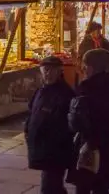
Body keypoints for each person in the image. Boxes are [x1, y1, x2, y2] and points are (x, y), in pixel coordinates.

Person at [68, 48, 109, 194]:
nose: (83, 69)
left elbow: (79, 121)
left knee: (84, 184)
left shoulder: (89, 89)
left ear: (94, 68)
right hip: (107, 145)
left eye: (86, 66)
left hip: (89, 144)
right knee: (101, 185)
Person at [25, 57, 75, 194]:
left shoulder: (65, 94)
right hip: (43, 148)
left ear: (59, 71)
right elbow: (32, 112)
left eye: (51, 70)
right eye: (45, 70)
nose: (47, 73)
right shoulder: (41, 90)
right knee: (52, 185)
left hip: (56, 150)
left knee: (49, 186)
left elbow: (67, 124)